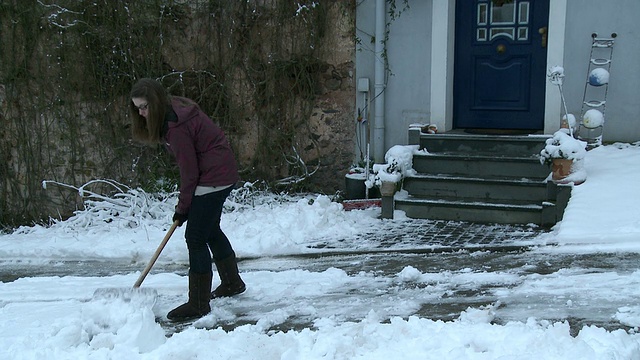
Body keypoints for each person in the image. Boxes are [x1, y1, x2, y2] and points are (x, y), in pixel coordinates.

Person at [130, 78, 246, 321]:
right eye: (137, 108)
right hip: (220, 170)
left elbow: (189, 173)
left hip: (213, 176)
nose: (141, 113)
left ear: (157, 103)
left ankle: (198, 303)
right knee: (209, 229)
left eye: (144, 107)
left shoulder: (175, 127)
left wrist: (183, 209)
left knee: (195, 236)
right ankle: (232, 283)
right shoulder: (173, 111)